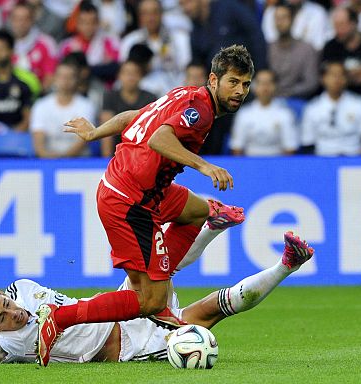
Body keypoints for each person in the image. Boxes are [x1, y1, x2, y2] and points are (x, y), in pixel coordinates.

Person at [48, 45, 254, 366]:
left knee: (199, 211)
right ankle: (58, 318)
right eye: (233, 82)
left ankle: (161, 272)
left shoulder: (186, 94)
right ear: (214, 80)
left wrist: (95, 133)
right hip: (131, 201)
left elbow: (135, 117)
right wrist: (205, 166)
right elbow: (159, 138)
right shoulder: (200, 111)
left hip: (139, 187)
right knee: (150, 301)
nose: (240, 91)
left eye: (245, 84)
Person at [0, 232, 314, 366]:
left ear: (6, 294)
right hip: (131, 346)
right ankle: (286, 265)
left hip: (119, 308)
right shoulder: (9, 345)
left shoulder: (23, 287)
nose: (13, 314)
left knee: (157, 266)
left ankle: (210, 227)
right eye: (2, 317)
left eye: (7, 304)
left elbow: (21, 301)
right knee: (210, 311)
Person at [301, 61, 361, 156]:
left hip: (354, 158)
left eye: (341, 75)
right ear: (323, 78)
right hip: (323, 159)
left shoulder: (360, 104)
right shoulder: (312, 108)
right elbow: (308, 144)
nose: (337, 79)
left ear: (346, 79)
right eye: (333, 75)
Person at [0, 30, 40, 136]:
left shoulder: (28, 81)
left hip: (19, 136)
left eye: (0, 49)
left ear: (11, 51)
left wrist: (11, 136)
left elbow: (29, 118)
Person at [119, 0, 191, 96]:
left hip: (174, 90)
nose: (150, 18)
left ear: (162, 14)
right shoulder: (130, 41)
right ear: (139, 16)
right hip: (142, 93)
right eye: (145, 13)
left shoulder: (179, 38)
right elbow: (126, 72)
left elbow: (185, 68)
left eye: (154, 12)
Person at [30, 60, 96, 158]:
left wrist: (63, 159)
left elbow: (84, 139)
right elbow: (38, 140)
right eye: (61, 76)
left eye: (70, 77)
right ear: (54, 78)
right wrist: (46, 156)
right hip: (47, 160)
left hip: (79, 160)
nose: (65, 80)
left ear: (77, 80)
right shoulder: (41, 105)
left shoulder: (86, 106)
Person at [229, 70, 299, 156]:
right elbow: (237, 147)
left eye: (269, 83)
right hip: (249, 161)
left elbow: (290, 148)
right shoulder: (244, 114)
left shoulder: (285, 114)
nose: (265, 87)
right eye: (261, 83)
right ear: (253, 86)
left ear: (275, 86)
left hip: (277, 160)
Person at [99, 60, 158, 157]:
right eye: (127, 73)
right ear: (119, 76)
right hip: (116, 153)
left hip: (143, 152)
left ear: (141, 76)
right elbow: (105, 131)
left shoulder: (150, 98)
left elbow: (154, 132)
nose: (131, 77)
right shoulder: (110, 97)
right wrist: (107, 159)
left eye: (135, 73)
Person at [267, 3, 319, 99]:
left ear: (293, 19)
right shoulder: (268, 48)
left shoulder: (306, 49)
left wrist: (286, 93)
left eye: (284, 18)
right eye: (277, 18)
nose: (280, 22)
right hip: (271, 100)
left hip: (299, 101)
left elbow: (311, 82)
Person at [322, 7, 361, 93]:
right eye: (335, 25)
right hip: (344, 94)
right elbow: (331, 76)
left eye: (341, 24)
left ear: (354, 23)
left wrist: (348, 73)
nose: (338, 30)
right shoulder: (331, 47)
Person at [8, 1, 58, 90]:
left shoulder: (46, 43)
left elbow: (50, 76)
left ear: (32, 20)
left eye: (24, 19)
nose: (20, 23)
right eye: (16, 19)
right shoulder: (5, 44)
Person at [262, 0, 332, 51]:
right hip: (276, 60)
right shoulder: (271, 12)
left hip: (306, 61)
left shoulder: (318, 13)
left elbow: (318, 47)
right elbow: (269, 44)